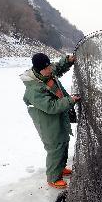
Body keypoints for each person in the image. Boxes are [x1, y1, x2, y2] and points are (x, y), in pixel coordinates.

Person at [20, 53, 80, 189]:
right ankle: (53, 177)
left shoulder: (46, 73)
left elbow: (57, 67)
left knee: (64, 141)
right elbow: (51, 107)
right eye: (46, 69)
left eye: (49, 67)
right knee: (55, 147)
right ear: (38, 69)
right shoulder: (33, 89)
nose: (49, 70)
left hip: (58, 116)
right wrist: (70, 100)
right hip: (46, 121)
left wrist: (67, 61)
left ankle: (61, 168)